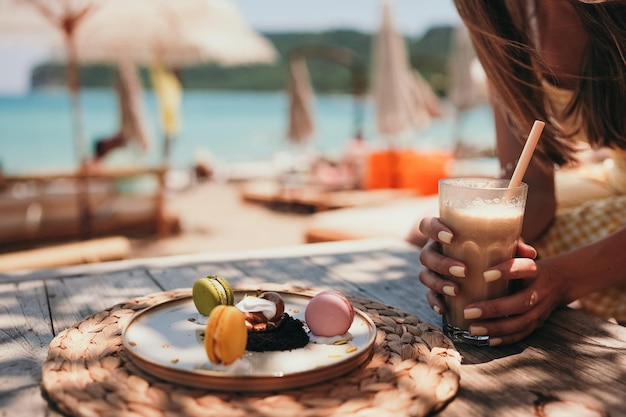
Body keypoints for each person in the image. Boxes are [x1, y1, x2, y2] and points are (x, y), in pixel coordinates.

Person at [408, 0, 626, 346]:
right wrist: (459, 251)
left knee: (544, 258)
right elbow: (532, 190)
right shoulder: (499, 16)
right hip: (616, 178)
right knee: (435, 238)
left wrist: (562, 279)